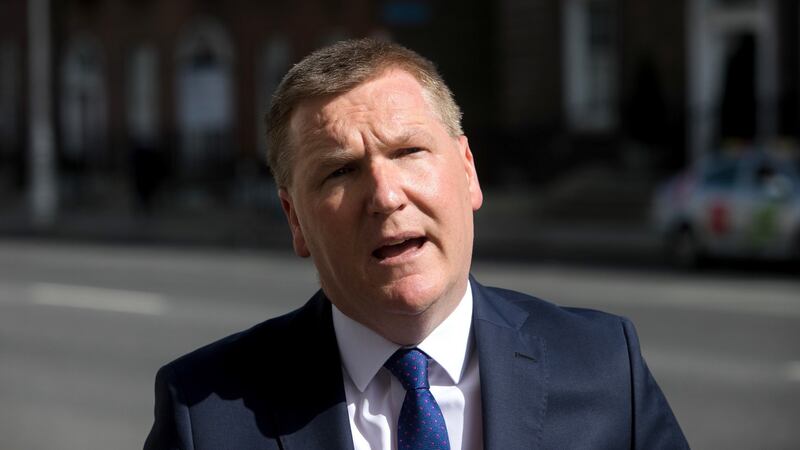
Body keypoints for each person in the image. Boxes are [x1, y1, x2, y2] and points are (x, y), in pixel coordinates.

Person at [144, 38, 689, 450]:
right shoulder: (203, 412)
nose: (384, 195)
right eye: (339, 171)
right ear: (295, 220)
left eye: (408, 152)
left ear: (469, 172)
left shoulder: (604, 364)